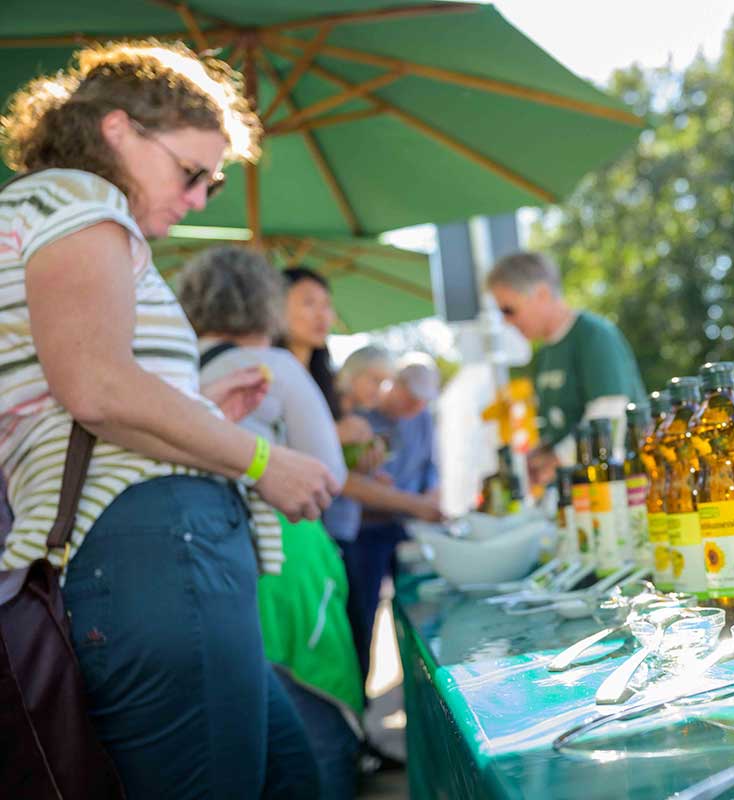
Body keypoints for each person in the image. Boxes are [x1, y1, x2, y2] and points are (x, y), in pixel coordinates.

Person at [0, 41, 339, 798]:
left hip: (138, 546)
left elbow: (73, 395)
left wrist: (198, 417)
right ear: (117, 129)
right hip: (156, 545)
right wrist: (260, 458)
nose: (196, 200)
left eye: (213, 186)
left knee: (290, 776)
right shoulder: (83, 202)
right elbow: (94, 384)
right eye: (192, 173)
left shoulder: (45, 208)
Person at [178, 245, 362, 800]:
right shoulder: (273, 368)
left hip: (207, 560)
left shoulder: (171, 369)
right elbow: (328, 475)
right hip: (287, 556)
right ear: (269, 305)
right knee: (317, 721)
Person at [276, 272, 441, 545]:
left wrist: (364, 468)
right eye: (308, 303)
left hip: (319, 530)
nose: (322, 315)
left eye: (327, 305)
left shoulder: (321, 383)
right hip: (285, 527)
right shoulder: (266, 373)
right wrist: (332, 436)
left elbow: (336, 472)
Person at [485, 250, 646, 484]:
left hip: (622, 486)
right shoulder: (544, 355)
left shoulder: (593, 335)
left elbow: (609, 417)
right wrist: (538, 456)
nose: (506, 322)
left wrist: (554, 461)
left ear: (541, 294)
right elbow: (557, 428)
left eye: (508, 310)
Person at [342, 352, 441, 681]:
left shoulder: (424, 418)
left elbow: (430, 468)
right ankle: (360, 706)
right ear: (394, 385)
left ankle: (414, 685)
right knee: (361, 618)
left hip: (407, 526)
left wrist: (428, 495)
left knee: (418, 609)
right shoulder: (356, 418)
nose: (415, 409)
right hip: (363, 531)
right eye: (411, 400)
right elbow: (348, 481)